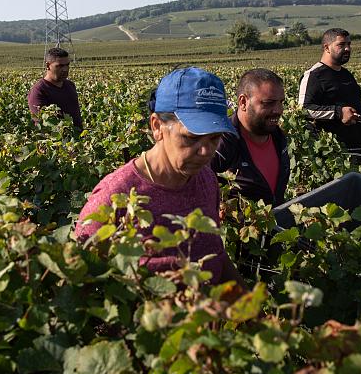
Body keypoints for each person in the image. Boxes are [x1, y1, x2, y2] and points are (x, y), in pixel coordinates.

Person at [74, 67, 244, 286]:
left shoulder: (206, 179)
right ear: (157, 127)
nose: (205, 152)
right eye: (191, 138)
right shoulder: (115, 196)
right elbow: (83, 285)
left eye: (214, 138)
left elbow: (215, 252)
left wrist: (252, 310)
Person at [211, 68, 290, 205]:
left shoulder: (278, 137)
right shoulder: (220, 143)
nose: (278, 110)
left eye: (281, 102)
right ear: (243, 102)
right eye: (268, 103)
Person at [298, 28, 361, 155]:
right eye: (341, 45)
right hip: (332, 155)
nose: (347, 49)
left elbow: (359, 107)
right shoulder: (314, 76)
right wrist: (338, 112)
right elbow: (304, 110)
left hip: (358, 151)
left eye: (349, 44)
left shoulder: (347, 75)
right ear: (327, 47)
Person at [28, 47, 83, 129]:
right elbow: (40, 125)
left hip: (78, 138)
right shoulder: (39, 91)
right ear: (48, 65)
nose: (65, 69)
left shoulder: (70, 85)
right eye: (60, 66)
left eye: (67, 65)